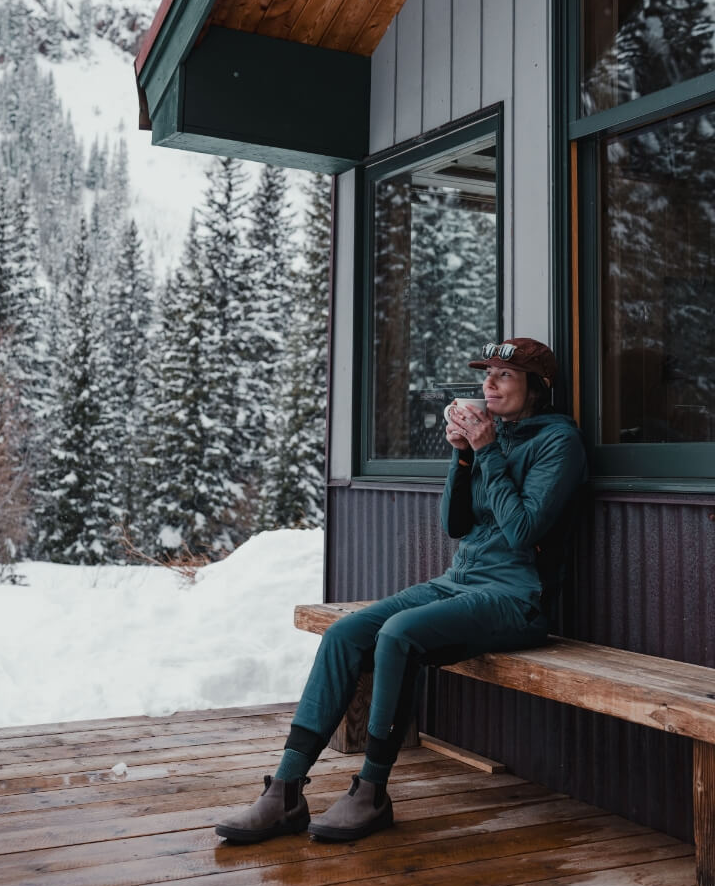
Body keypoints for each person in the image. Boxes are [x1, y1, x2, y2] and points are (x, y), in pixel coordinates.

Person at [215, 337, 588, 844]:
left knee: (398, 634)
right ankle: (285, 789)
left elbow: (523, 530)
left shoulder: (558, 442)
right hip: (461, 581)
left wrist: (486, 451)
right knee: (346, 634)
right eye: (487, 375)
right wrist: (460, 459)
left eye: (504, 376)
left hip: (517, 596)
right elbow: (455, 525)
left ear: (538, 388)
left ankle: (371, 791)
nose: (489, 384)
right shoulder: (494, 437)